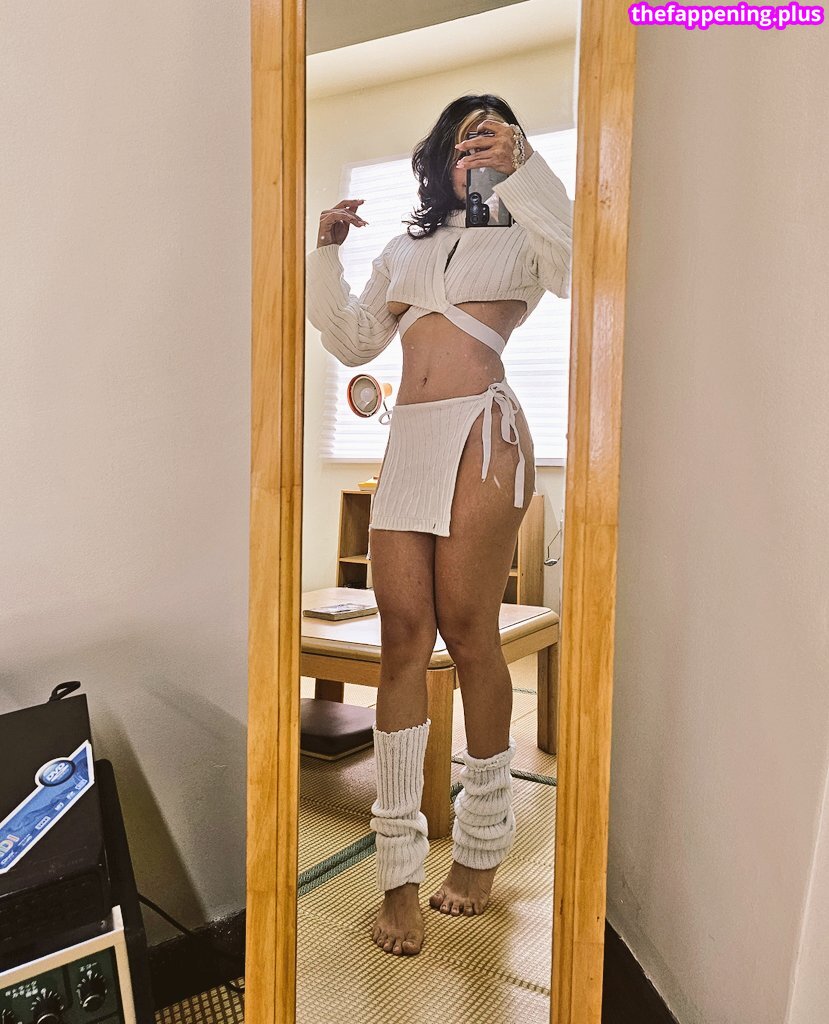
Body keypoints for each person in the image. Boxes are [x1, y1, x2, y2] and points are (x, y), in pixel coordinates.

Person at [305, 93, 572, 957]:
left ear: (513, 146)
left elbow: (579, 268)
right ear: (436, 157)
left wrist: (525, 170)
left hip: (481, 435)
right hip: (410, 440)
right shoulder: (404, 248)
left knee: (468, 629)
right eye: (462, 138)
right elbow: (354, 341)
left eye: (490, 136)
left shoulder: (525, 235)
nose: (474, 150)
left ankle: (481, 850)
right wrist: (325, 253)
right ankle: (396, 875)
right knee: (400, 641)